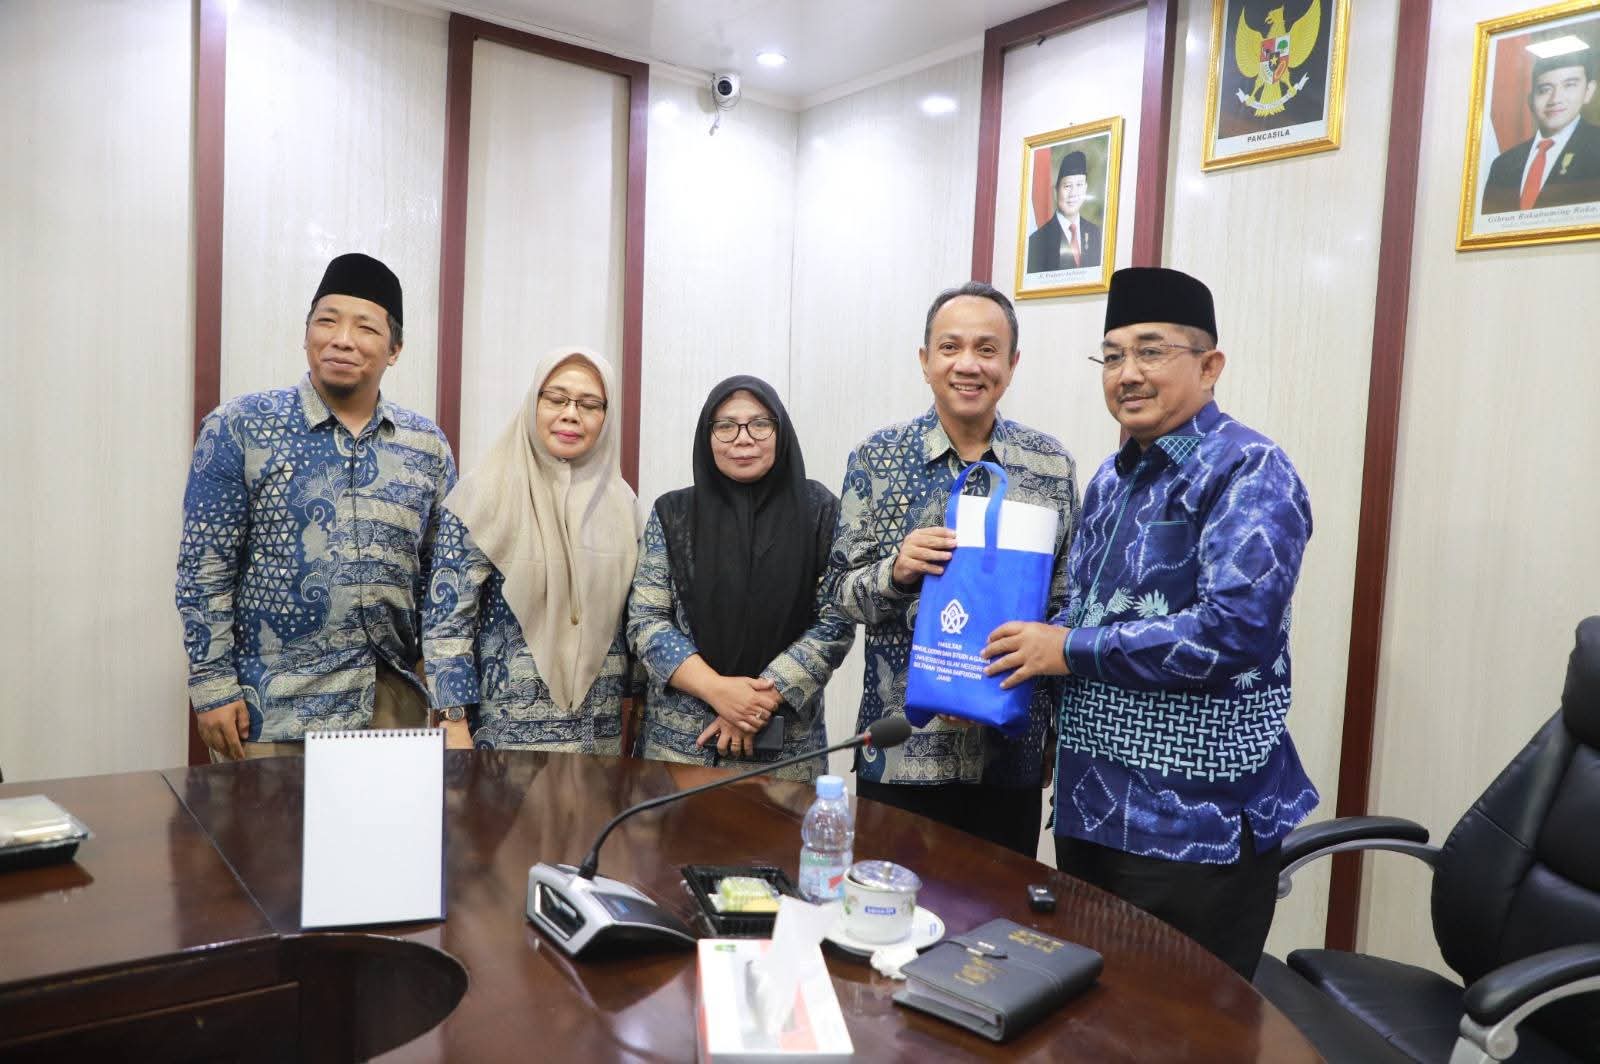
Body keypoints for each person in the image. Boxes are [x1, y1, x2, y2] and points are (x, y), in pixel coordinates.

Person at [980, 266, 1317, 978]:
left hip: (1192, 826)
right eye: (1112, 356)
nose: (1127, 373)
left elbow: (1232, 632)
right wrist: (1004, 662)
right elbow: (1085, 612)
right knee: (1093, 1016)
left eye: (1150, 351)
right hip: (1091, 812)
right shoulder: (1111, 478)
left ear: (1210, 365)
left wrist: (1066, 649)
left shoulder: (1250, 470)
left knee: (1184, 1026)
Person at [826, 282, 1078, 856]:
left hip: (1008, 757)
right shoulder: (878, 458)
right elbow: (839, 593)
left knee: (998, 912)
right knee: (888, 909)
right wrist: (896, 571)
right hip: (901, 757)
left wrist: (1054, 735)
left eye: (987, 349)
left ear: (1012, 364)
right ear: (925, 361)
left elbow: (1069, 605)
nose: (968, 364)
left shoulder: (1051, 466)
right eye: (950, 347)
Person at [176, 253, 456, 759]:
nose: (342, 339)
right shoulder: (240, 427)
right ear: (306, 333)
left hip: (391, 708)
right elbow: (205, 566)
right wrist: (212, 685)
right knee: (257, 818)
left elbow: (441, 576)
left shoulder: (427, 446)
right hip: (270, 709)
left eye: (365, 327)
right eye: (327, 321)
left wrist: (445, 691)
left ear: (394, 349)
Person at [628, 376, 854, 782]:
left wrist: (756, 700)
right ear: (707, 436)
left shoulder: (819, 510)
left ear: (781, 432)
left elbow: (837, 619)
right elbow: (646, 621)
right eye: (726, 426)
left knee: (781, 830)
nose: (743, 438)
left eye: (760, 424)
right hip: (681, 750)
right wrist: (718, 690)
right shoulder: (673, 513)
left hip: (787, 757)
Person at [423, 348, 637, 752]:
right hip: (504, 743)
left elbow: (632, 623)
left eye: (590, 405)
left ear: (606, 417)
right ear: (532, 403)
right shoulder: (482, 496)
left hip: (599, 740)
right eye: (556, 399)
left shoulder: (624, 505)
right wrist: (453, 720)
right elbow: (447, 620)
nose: (571, 414)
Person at [1482, 51, 1600, 214]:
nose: (1555, 99)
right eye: (1545, 90)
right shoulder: (1503, 164)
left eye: (1569, 85)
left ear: (1588, 91)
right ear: (1530, 100)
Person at [1026, 150, 1102, 273]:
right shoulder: (1037, 240)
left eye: (1079, 185)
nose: (1073, 193)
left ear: (1085, 188)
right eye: (1067, 186)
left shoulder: (1096, 234)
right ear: (1056, 191)